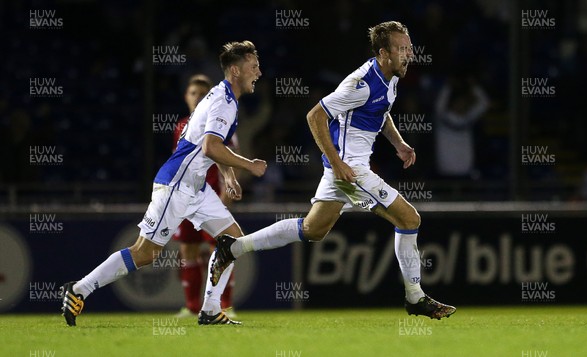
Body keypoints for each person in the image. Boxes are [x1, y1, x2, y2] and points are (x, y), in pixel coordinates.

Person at [210, 21, 456, 319]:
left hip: (343, 171)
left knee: (313, 230)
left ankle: (232, 248)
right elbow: (315, 116)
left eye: (409, 47)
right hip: (352, 172)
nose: (409, 54)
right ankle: (415, 298)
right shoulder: (360, 83)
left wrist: (399, 143)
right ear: (384, 53)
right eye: (402, 49)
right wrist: (338, 163)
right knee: (408, 218)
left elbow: (382, 111)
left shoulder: (390, 76)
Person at [60, 40, 267, 326]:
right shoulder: (223, 100)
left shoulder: (224, 97)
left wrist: (229, 175)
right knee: (145, 253)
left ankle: (209, 309)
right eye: (253, 66)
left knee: (232, 241)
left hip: (195, 186)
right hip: (178, 184)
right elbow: (210, 147)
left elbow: (209, 144)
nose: (258, 72)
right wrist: (248, 164)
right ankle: (79, 289)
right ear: (235, 70)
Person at [172, 75, 237, 319]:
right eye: (193, 93)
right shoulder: (180, 126)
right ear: (186, 97)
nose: (198, 97)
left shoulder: (221, 123)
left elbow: (230, 158)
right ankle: (191, 307)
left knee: (222, 249)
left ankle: (224, 306)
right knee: (188, 250)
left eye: (202, 93)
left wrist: (226, 194)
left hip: (212, 198)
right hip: (186, 198)